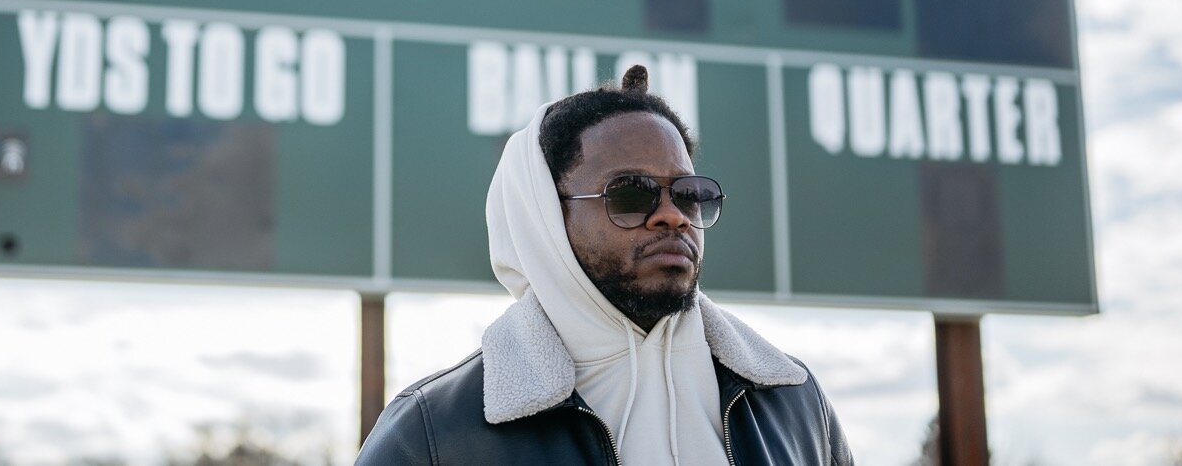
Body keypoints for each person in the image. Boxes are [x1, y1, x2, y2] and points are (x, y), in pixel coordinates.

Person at [356, 64, 853, 465]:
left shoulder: (796, 404)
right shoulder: (433, 434)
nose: (672, 216)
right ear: (544, 217)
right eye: (631, 193)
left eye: (689, 194)